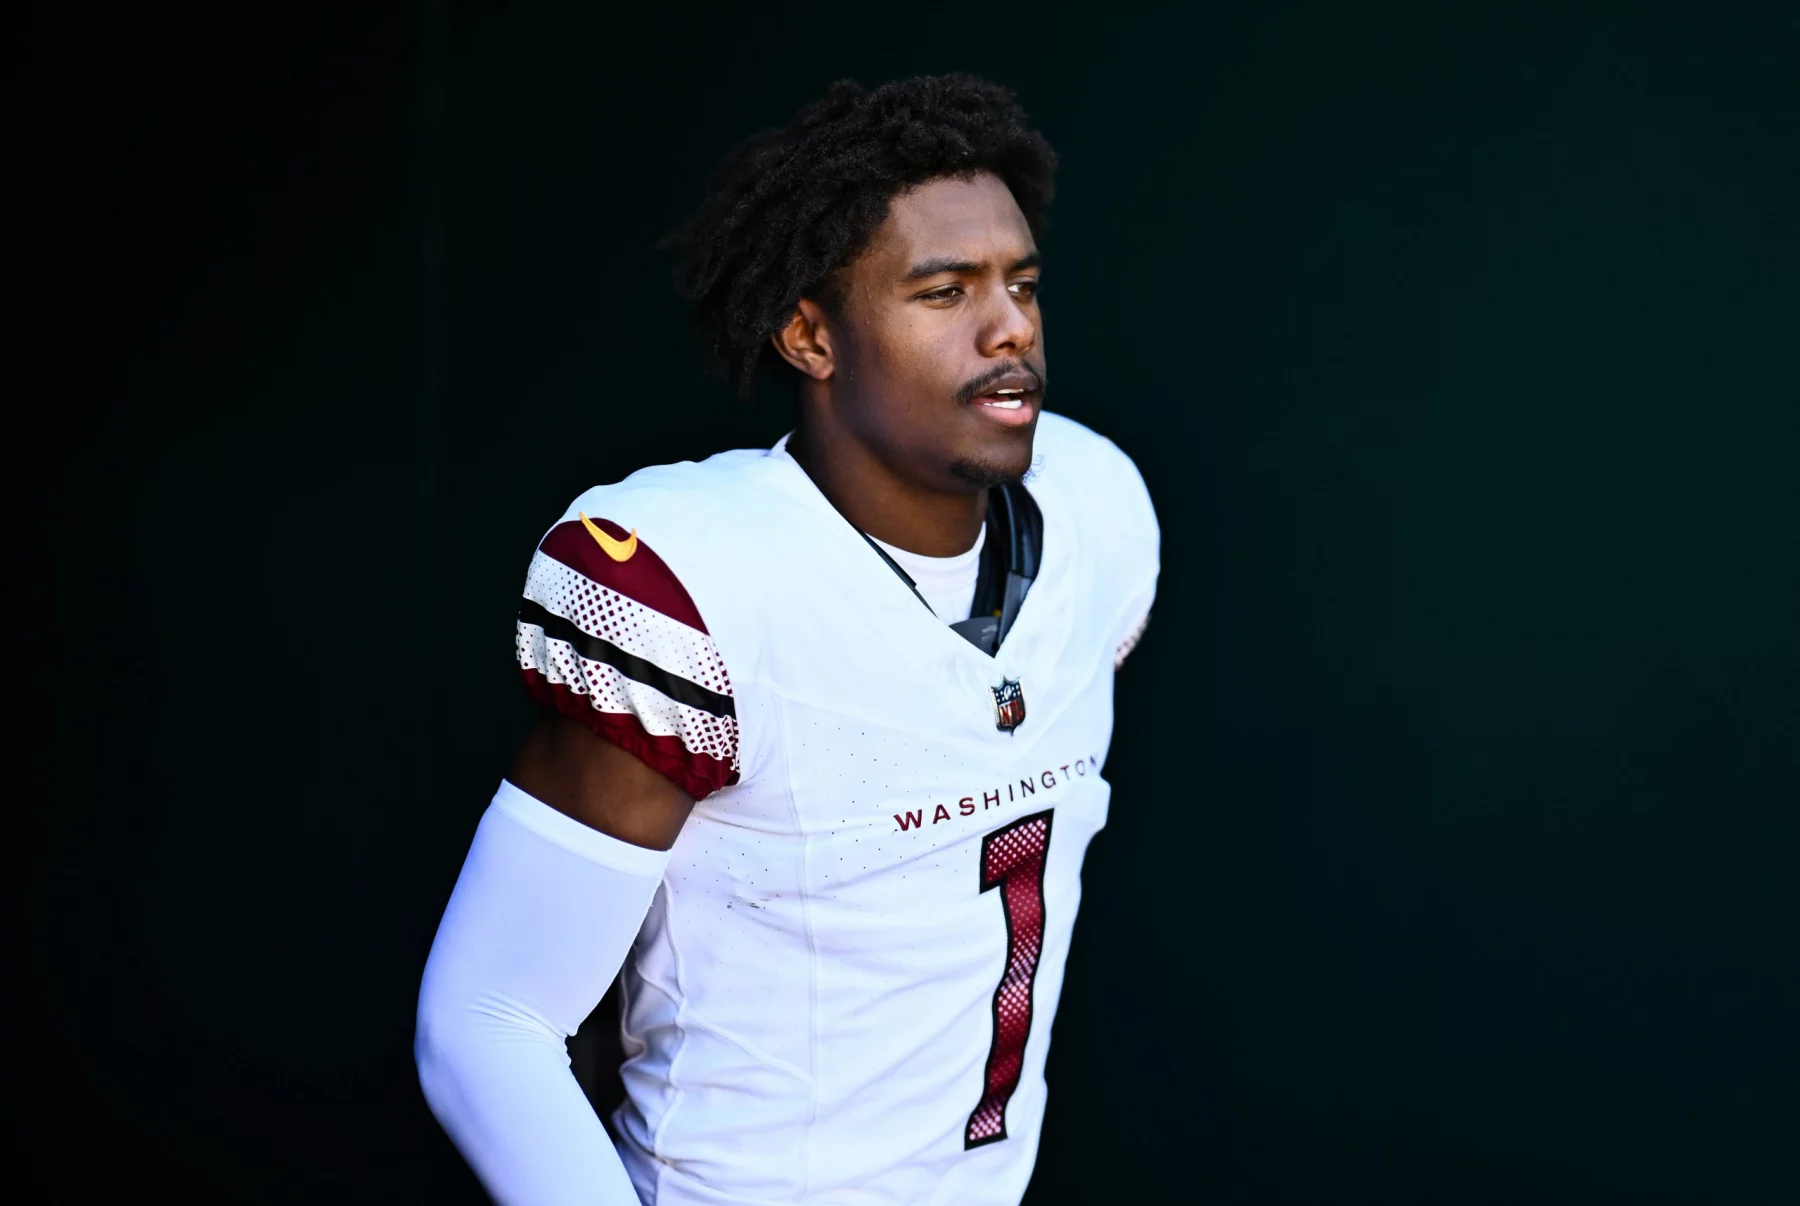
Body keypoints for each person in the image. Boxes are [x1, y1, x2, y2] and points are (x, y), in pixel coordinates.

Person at [415, 74, 1158, 1206]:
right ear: (810, 334)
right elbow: (490, 1021)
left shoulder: (1099, 506)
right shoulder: (706, 583)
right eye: (944, 290)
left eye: (1022, 282)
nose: (1010, 324)